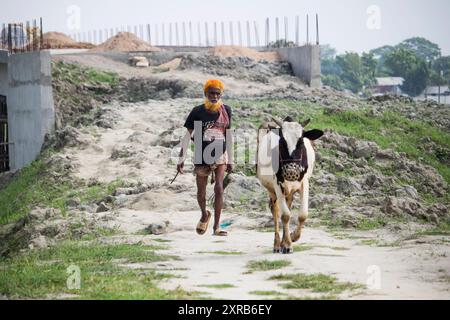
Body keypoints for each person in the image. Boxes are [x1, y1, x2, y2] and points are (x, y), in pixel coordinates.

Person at [177, 79, 233, 236]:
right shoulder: (197, 111)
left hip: (220, 153)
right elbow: (188, 136)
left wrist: (231, 159)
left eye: (217, 93)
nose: (214, 96)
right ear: (205, 94)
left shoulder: (226, 110)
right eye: (211, 93)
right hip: (202, 153)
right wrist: (181, 159)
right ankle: (204, 214)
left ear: (221, 94)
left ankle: (216, 227)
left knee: (219, 188)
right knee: (201, 192)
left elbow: (228, 135)